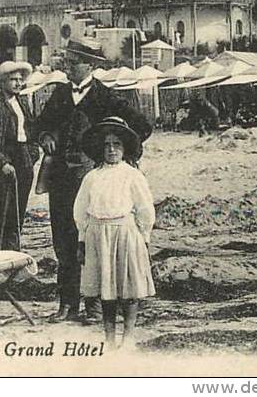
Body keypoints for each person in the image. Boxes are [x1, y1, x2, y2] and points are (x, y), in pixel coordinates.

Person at [36, 51, 152, 323]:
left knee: (93, 241)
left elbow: (142, 126)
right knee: (63, 240)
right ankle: (67, 304)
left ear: (90, 65)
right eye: (66, 62)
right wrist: (45, 136)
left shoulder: (106, 96)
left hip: (93, 180)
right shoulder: (59, 94)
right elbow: (39, 124)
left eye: (73, 62)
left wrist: (125, 150)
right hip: (60, 178)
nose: (67, 66)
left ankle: (95, 306)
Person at [73, 117, 156, 350]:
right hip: (98, 234)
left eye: (116, 145)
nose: (111, 149)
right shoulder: (92, 177)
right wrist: (82, 239)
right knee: (106, 290)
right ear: (101, 148)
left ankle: (128, 337)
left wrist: (145, 237)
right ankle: (109, 338)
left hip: (126, 233)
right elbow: (81, 211)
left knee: (129, 288)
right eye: (107, 145)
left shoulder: (132, 175)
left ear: (124, 148)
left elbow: (145, 209)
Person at [0, 61, 41, 252]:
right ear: (2, 82)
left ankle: (12, 251)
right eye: (13, 80)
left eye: (20, 80)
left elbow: (31, 129)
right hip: (2, 160)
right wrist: (2, 162)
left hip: (23, 158)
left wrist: (32, 154)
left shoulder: (23, 102)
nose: (17, 83)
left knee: (18, 208)